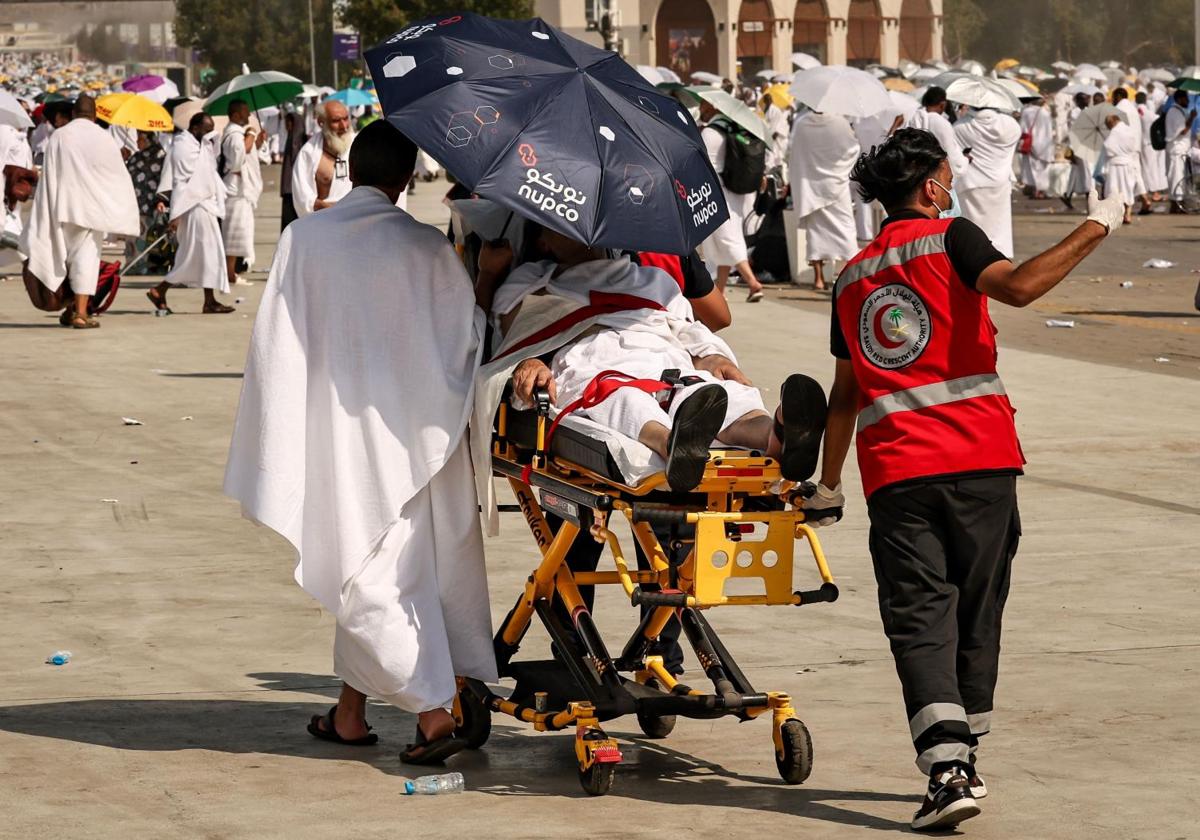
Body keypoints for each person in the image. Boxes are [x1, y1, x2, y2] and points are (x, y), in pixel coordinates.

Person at [809, 128, 1126, 832]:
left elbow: (843, 394)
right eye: (949, 176)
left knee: (922, 618)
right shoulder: (950, 237)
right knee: (977, 614)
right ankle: (960, 757)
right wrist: (1098, 224)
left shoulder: (852, 275)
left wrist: (827, 485)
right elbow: (1020, 287)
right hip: (981, 461)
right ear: (930, 187)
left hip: (896, 470)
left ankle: (951, 764)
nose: (952, 187)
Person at [224, 120, 496, 765]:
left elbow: (276, 344)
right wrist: (484, 277)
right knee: (384, 567)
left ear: (348, 170)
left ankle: (426, 716)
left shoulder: (303, 238)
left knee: (364, 567)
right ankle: (371, 713)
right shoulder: (428, 249)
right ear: (407, 178)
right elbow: (467, 342)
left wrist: (286, 421)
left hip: (335, 431)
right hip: (412, 437)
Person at [478, 226, 824, 492]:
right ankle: (671, 443)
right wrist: (532, 362)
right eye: (563, 227)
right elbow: (519, 337)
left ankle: (777, 432)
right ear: (544, 243)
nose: (582, 233)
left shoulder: (650, 278)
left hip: (661, 358)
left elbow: (687, 328)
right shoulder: (529, 282)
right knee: (621, 398)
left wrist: (712, 355)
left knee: (709, 390)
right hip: (593, 364)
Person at [18, 94, 138, 329]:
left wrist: (45, 207)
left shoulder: (60, 136)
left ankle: (71, 308)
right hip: (91, 209)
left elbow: (50, 174)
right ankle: (80, 313)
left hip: (62, 205)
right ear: (94, 115)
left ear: (73, 114)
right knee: (85, 261)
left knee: (59, 256)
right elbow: (116, 175)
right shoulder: (104, 138)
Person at [148, 112, 235, 314]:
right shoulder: (182, 146)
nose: (209, 134)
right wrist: (176, 214)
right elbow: (185, 180)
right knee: (198, 254)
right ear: (195, 128)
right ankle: (161, 290)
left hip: (203, 204)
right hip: (192, 206)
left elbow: (208, 169)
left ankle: (207, 300)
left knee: (206, 254)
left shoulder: (199, 145)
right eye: (206, 129)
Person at [697, 100, 765, 302]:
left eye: (703, 106)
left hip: (716, 190)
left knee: (727, 238)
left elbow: (702, 163)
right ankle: (720, 290)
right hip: (736, 191)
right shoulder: (733, 127)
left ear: (713, 107)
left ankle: (753, 283)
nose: (701, 109)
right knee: (724, 239)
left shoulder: (710, 133)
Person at [787, 107, 861, 291]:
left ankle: (818, 279)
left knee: (815, 233)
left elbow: (793, 152)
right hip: (836, 184)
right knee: (845, 230)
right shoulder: (840, 123)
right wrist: (838, 169)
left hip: (812, 186)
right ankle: (848, 275)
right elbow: (854, 149)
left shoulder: (802, 124)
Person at [953, 107, 1021, 258]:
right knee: (999, 227)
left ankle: (974, 261)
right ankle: (1000, 261)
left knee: (973, 228)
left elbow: (955, 152)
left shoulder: (960, 126)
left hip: (971, 183)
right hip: (1000, 182)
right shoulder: (1010, 124)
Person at [220, 98, 268, 284]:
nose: (248, 115)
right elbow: (238, 159)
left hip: (241, 192)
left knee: (239, 234)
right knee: (233, 235)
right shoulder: (233, 134)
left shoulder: (238, 134)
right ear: (234, 115)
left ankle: (231, 272)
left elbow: (246, 152)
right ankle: (229, 272)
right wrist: (251, 135)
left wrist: (257, 142)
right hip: (235, 191)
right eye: (244, 112)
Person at [291, 99, 356, 218]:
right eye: (336, 121)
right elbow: (302, 197)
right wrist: (331, 209)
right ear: (321, 122)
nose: (344, 126)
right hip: (324, 221)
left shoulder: (360, 145)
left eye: (346, 118)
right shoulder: (309, 153)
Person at [906, 87, 967, 180]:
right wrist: (964, 160)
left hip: (913, 173)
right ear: (943, 104)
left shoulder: (913, 117)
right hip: (935, 176)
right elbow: (951, 154)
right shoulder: (941, 123)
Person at [1102, 113, 1141, 225]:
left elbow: (1109, 149)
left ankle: (1116, 215)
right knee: (1128, 189)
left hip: (1115, 166)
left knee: (1114, 190)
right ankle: (1128, 214)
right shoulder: (1130, 130)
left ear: (1111, 122)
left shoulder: (1114, 133)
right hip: (1128, 163)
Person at [1164, 89, 1197, 214]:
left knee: (1180, 177)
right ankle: (1175, 205)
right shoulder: (1174, 112)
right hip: (1176, 150)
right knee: (1175, 177)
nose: (1188, 101)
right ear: (1179, 99)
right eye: (1186, 98)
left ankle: (1178, 204)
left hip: (1180, 149)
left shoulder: (1178, 111)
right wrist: (1192, 118)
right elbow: (1182, 131)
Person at [1017, 97, 1053, 198]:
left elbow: (1022, 128)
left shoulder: (1026, 112)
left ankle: (1034, 190)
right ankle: (1041, 191)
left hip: (1030, 143)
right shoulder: (1045, 113)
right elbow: (1049, 130)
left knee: (1031, 167)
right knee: (1042, 169)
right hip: (1044, 145)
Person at [278, 110, 307, 230]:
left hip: (291, 188)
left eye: (288, 122)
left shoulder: (295, 140)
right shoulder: (293, 137)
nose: (286, 125)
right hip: (290, 188)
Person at [1137, 91, 1167, 203]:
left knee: (1142, 169)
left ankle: (1143, 193)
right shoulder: (1147, 113)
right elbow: (1157, 120)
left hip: (1138, 144)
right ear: (1145, 100)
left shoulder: (1134, 112)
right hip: (1148, 144)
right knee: (1151, 169)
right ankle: (1155, 193)